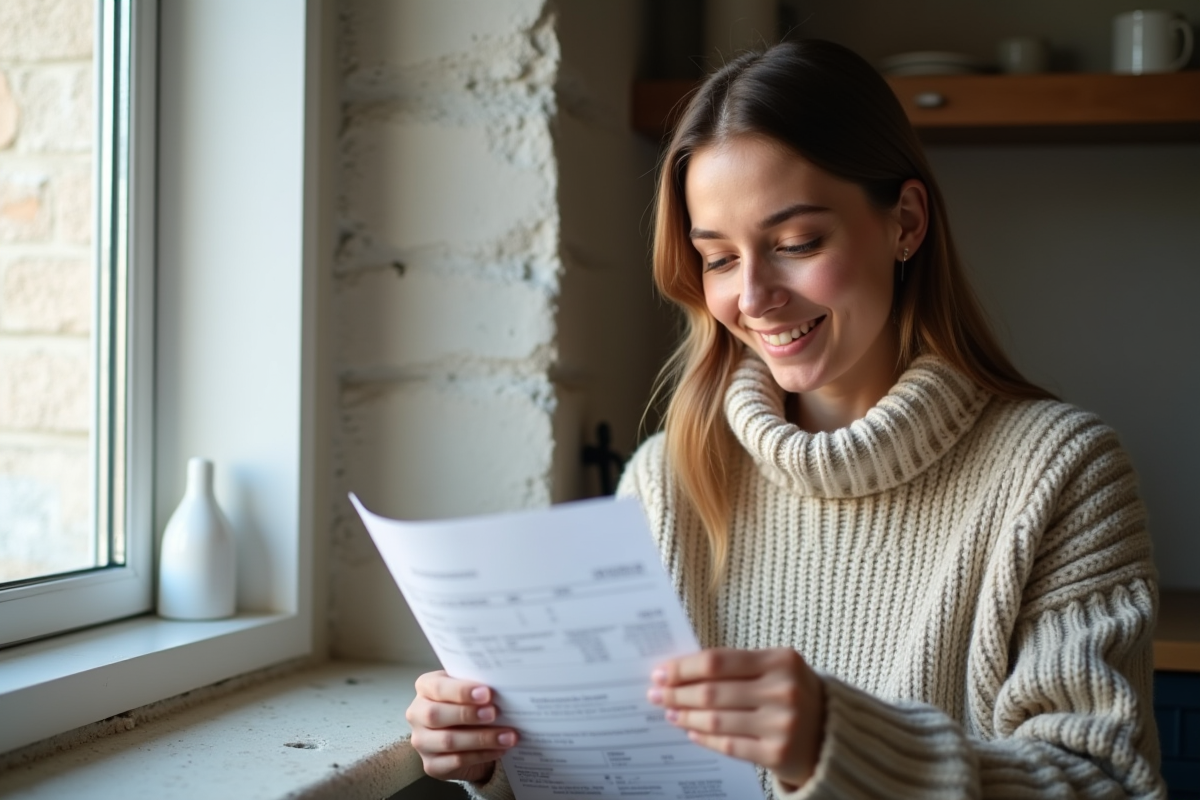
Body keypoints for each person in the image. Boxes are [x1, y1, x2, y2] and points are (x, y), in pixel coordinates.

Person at [403, 40, 1165, 799]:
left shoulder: (1063, 473)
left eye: (795, 243)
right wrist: (502, 752)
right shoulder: (666, 480)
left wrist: (838, 744)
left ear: (904, 221)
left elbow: (1105, 785)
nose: (754, 296)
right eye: (720, 258)